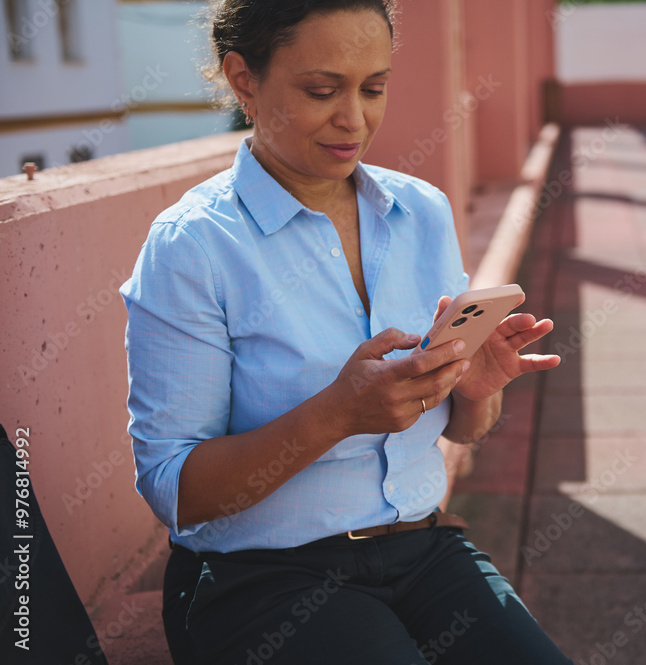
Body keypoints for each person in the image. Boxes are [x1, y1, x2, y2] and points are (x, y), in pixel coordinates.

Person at [119, 1, 570, 663]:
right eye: (322, 90)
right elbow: (174, 490)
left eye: (374, 88)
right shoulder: (194, 245)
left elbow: (463, 430)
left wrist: (476, 388)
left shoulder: (420, 211)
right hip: (264, 577)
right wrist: (335, 414)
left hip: (423, 549)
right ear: (243, 78)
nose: (354, 119)